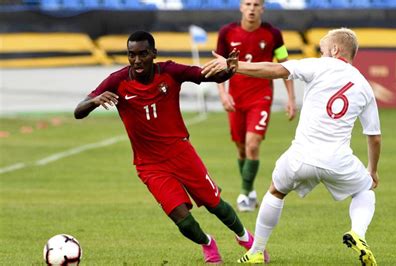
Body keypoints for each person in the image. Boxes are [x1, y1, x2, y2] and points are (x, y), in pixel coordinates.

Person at [74, 30, 268, 264]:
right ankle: (208, 243)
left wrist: (228, 70)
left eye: (143, 54)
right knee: (182, 219)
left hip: (181, 153)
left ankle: (246, 239)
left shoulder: (170, 71)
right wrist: (94, 101)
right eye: (131, 55)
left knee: (214, 204)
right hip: (149, 165)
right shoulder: (117, 81)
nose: (137, 60)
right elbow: (78, 111)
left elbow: (206, 76)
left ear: (153, 53)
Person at [202, 28, 381, 265]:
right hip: (338, 159)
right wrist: (372, 170)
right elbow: (374, 136)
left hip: (301, 156)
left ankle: (256, 251)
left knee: (276, 190)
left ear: (335, 50)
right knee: (364, 190)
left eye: (322, 49)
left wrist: (235, 66)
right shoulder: (365, 86)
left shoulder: (319, 66)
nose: (321, 54)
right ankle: (358, 232)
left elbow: (276, 69)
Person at [215, 0, 297, 212]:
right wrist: (223, 94)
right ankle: (250, 190)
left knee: (252, 144)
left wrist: (291, 98)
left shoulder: (273, 34)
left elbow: (284, 66)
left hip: (261, 97)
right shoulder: (226, 33)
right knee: (241, 148)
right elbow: (219, 66)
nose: (252, 8)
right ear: (241, 7)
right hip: (236, 97)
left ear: (263, 8)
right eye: (248, 4)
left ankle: (244, 194)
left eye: (256, 4)